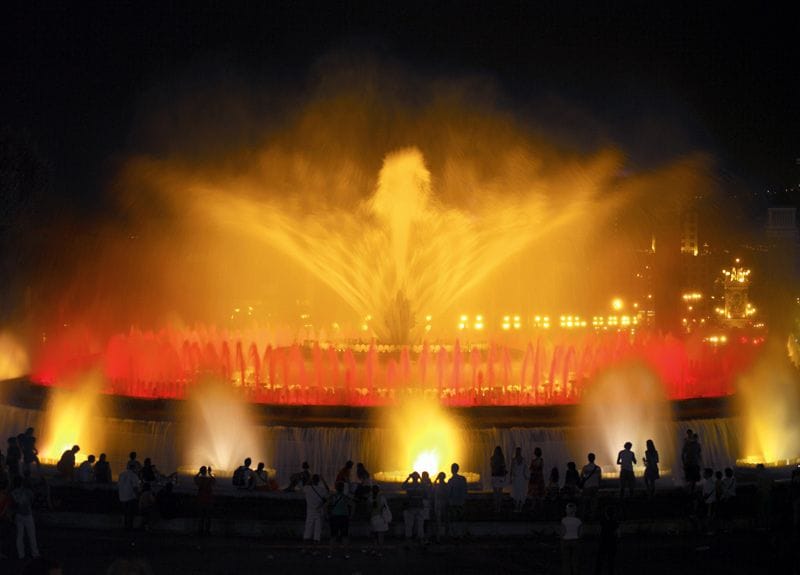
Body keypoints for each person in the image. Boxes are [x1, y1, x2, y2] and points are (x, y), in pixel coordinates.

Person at [11, 475, 39, 559]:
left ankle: (21, 554)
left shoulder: (13, 493)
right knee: (31, 535)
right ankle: (35, 553)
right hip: (27, 515)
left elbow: (15, 504)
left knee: (20, 536)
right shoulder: (27, 491)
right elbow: (31, 500)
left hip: (19, 515)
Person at [327, 481, 354, 559]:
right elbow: (353, 505)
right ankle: (346, 554)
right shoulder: (345, 497)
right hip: (344, 517)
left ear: (336, 488)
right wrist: (351, 515)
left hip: (334, 517)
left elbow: (326, 505)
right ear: (343, 488)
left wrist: (327, 514)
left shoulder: (333, 496)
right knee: (345, 536)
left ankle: (330, 554)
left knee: (333, 536)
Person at [303, 474, 329, 550]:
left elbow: (305, 486)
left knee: (307, 531)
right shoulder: (321, 490)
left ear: (312, 480)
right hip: (319, 513)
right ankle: (315, 550)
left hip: (310, 513)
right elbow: (328, 491)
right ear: (318, 481)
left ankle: (304, 549)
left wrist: (309, 480)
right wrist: (324, 481)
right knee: (317, 533)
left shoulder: (307, 488)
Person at [595, 505, 619, 575]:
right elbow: (618, 534)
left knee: (600, 560)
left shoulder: (602, 521)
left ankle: (598, 572)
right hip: (612, 543)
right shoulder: (615, 522)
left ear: (606, 513)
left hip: (603, 542)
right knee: (611, 561)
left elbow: (598, 532)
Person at [402, 471, 426, 543]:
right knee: (420, 525)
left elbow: (403, 486)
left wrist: (408, 478)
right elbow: (425, 487)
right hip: (419, 507)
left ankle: (409, 539)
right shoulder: (421, 485)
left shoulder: (409, 486)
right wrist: (420, 478)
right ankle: (420, 539)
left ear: (412, 478)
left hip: (411, 507)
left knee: (409, 525)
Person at [559, 502, 582, 575]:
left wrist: (561, 539)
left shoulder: (564, 520)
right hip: (575, 541)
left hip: (566, 541)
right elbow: (580, 533)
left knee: (566, 561)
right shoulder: (578, 521)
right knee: (575, 561)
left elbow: (563, 532)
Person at [118, 460, 141, 530]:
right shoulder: (134, 476)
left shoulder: (121, 474)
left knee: (125, 513)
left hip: (122, 497)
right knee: (130, 513)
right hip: (130, 497)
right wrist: (138, 496)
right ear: (134, 467)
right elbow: (135, 488)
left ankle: (125, 526)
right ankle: (129, 527)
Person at [368, 484, 390, 555]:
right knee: (381, 536)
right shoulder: (382, 497)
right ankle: (380, 551)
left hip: (373, 518)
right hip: (381, 518)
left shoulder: (370, 498)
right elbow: (385, 507)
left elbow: (369, 509)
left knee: (374, 535)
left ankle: (374, 549)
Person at [447, 463, 467, 538]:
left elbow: (449, 492)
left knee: (454, 518)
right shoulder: (463, 479)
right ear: (458, 469)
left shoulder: (451, 480)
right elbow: (465, 490)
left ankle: (454, 534)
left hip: (453, 503)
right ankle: (461, 534)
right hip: (461, 502)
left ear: (452, 470)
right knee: (461, 518)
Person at [194, 466, 215, 535]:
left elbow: (195, 479)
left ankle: (200, 530)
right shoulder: (208, 480)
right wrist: (210, 473)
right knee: (208, 517)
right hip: (208, 500)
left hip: (201, 500)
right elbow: (214, 480)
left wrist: (199, 472)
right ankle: (207, 531)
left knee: (201, 517)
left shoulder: (200, 479)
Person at [579, 453, 601, 520]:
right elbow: (599, 478)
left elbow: (581, 477)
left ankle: (584, 517)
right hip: (595, 487)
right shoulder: (598, 468)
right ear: (594, 458)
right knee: (594, 503)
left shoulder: (585, 468)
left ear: (588, 458)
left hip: (587, 487)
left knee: (585, 503)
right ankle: (593, 517)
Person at [509, 447, 528, 513]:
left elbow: (525, 469)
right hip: (517, 478)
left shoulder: (522, 460)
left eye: (518, 451)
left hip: (520, 478)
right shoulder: (514, 460)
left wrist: (526, 476)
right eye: (518, 451)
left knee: (519, 492)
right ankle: (518, 507)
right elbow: (511, 470)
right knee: (517, 492)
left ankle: (519, 508)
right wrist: (510, 478)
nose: (518, 452)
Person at [528, 447, 545, 514]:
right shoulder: (541, 460)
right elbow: (541, 468)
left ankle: (533, 507)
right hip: (540, 478)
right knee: (540, 494)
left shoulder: (533, 461)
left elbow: (531, 469)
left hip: (534, 478)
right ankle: (541, 508)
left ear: (535, 453)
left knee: (534, 494)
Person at [490, 446, 507, 513]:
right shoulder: (502, 458)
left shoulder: (492, 458)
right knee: (500, 492)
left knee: (495, 492)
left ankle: (495, 507)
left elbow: (491, 467)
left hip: (494, 476)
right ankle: (499, 507)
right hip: (500, 476)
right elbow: (504, 466)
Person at [432, 471, 448, 542]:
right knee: (444, 521)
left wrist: (436, 479)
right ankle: (445, 536)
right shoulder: (446, 485)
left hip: (438, 504)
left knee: (438, 521)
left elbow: (432, 489)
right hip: (444, 504)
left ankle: (438, 537)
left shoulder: (437, 486)